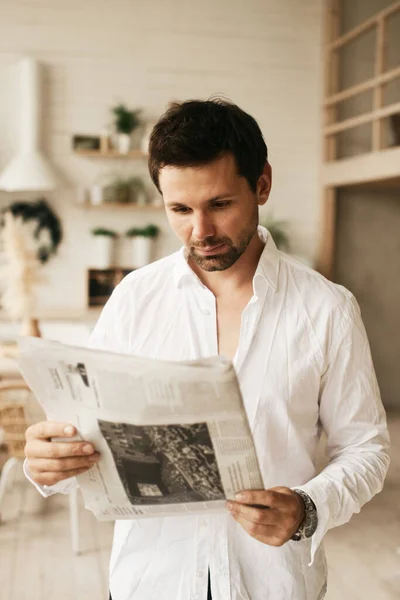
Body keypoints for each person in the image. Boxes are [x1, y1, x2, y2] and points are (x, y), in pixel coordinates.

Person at [24, 99, 390, 600]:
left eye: (219, 205)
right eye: (180, 209)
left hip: (272, 584)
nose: (201, 232)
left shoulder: (328, 309)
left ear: (261, 183)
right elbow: (89, 434)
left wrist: (308, 507)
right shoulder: (134, 298)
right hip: (150, 582)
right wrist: (52, 462)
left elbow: (366, 448)